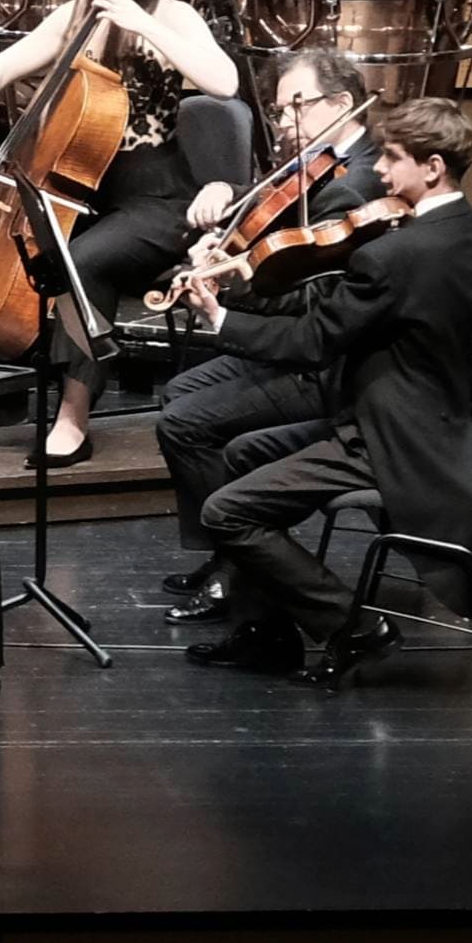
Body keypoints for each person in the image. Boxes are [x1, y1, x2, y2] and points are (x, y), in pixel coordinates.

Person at [176, 95, 472, 690]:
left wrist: (220, 318)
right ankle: (265, 633)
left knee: (225, 512)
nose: (379, 171)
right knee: (241, 455)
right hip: (441, 423)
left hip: (386, 438)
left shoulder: (394, 254)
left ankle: (352, 627)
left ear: (433, 168)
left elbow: (312, 340)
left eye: (394, 159)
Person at [0, 0, 245, 465]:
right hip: (81, 186)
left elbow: (224, 84)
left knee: (82, 263)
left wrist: (142, 23)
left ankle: (73, 415)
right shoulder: (75, 13)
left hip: (156, 196)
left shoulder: (173, 15)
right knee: (3, 253)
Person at [156, 48, 376, 623]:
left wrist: (232, 286)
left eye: (294, 109)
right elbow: (271, 233)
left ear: (343, 104)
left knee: (186, 423)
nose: (283, 124)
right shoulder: (313, 166)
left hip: (325, 361)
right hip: (290, 335)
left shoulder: (356, 187)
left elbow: (316, 303)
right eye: (278, 112)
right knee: (178, 395)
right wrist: (225, 230)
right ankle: (228, 552)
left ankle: (239, 564)